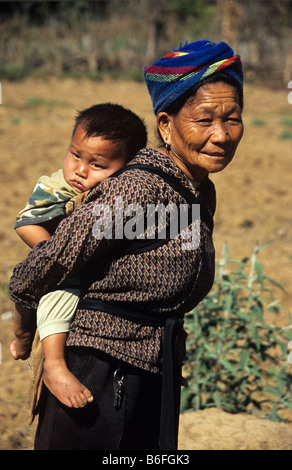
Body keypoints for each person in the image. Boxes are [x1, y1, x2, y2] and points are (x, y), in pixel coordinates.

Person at [8, 40, 244, 450]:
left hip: (153, 368)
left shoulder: (198, 192)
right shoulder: (139, 189)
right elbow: (44, 265)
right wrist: (26, 325)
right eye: (204, 119)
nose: (221, 135)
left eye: (233, 118)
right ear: (166, 125)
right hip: (99, 375)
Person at [10, 103, 148, 409]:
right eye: (75, 155)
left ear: (126, 169)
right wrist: (58, 256)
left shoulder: (120, 195)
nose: (80, 170)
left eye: (97, 164)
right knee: (60, 297)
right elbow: (25, 223)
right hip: (59, 267)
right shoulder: (58, 187)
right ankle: (54, 364)